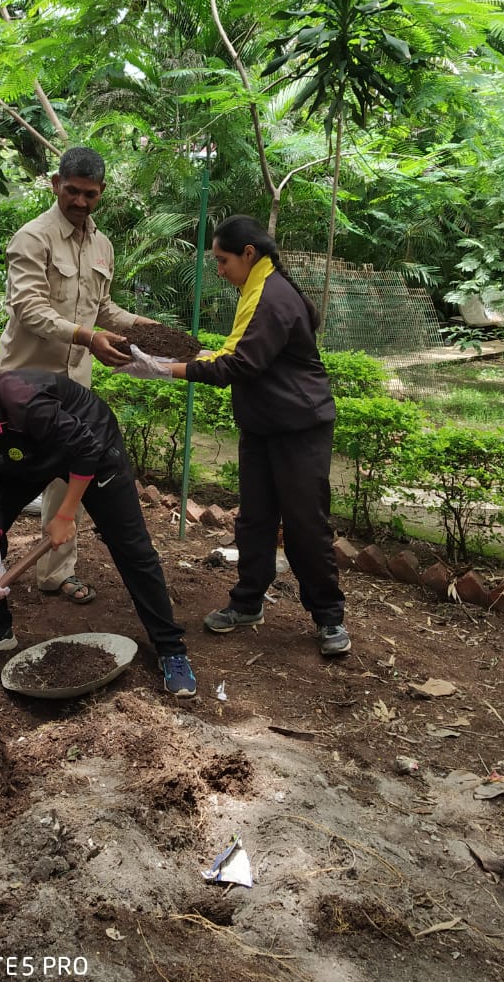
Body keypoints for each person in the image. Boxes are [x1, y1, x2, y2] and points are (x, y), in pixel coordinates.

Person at [120, 215, 350, 659]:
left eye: (223, 260)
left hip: (299, 429)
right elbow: (238, 351)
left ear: (249, 253)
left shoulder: (271, 295)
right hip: (263, 426)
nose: (219, 270)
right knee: (254, 520)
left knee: (305, 526)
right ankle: (247, 603)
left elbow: (239, 366)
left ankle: (329, 617)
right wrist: (189, 354)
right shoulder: (258, 287)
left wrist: (165, 368)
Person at [0, 146, 150, 606]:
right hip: (20, 382)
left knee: (69, 477)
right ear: (55, 184)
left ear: (101, 193)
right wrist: (88, 338)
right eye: (72, 191)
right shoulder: (33, 238)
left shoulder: (102, 245)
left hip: (72, 384)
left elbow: (101, 307)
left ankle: (55, 572)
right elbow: (28, 309)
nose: (81, 202)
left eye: (90, 194)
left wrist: (142, 327)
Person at [0, 355, 197, 697]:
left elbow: (85, 448)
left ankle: (171, 648)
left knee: (132, 547)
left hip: (91, 447)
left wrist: (64, 516)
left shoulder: (24, 400)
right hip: (27, 455)